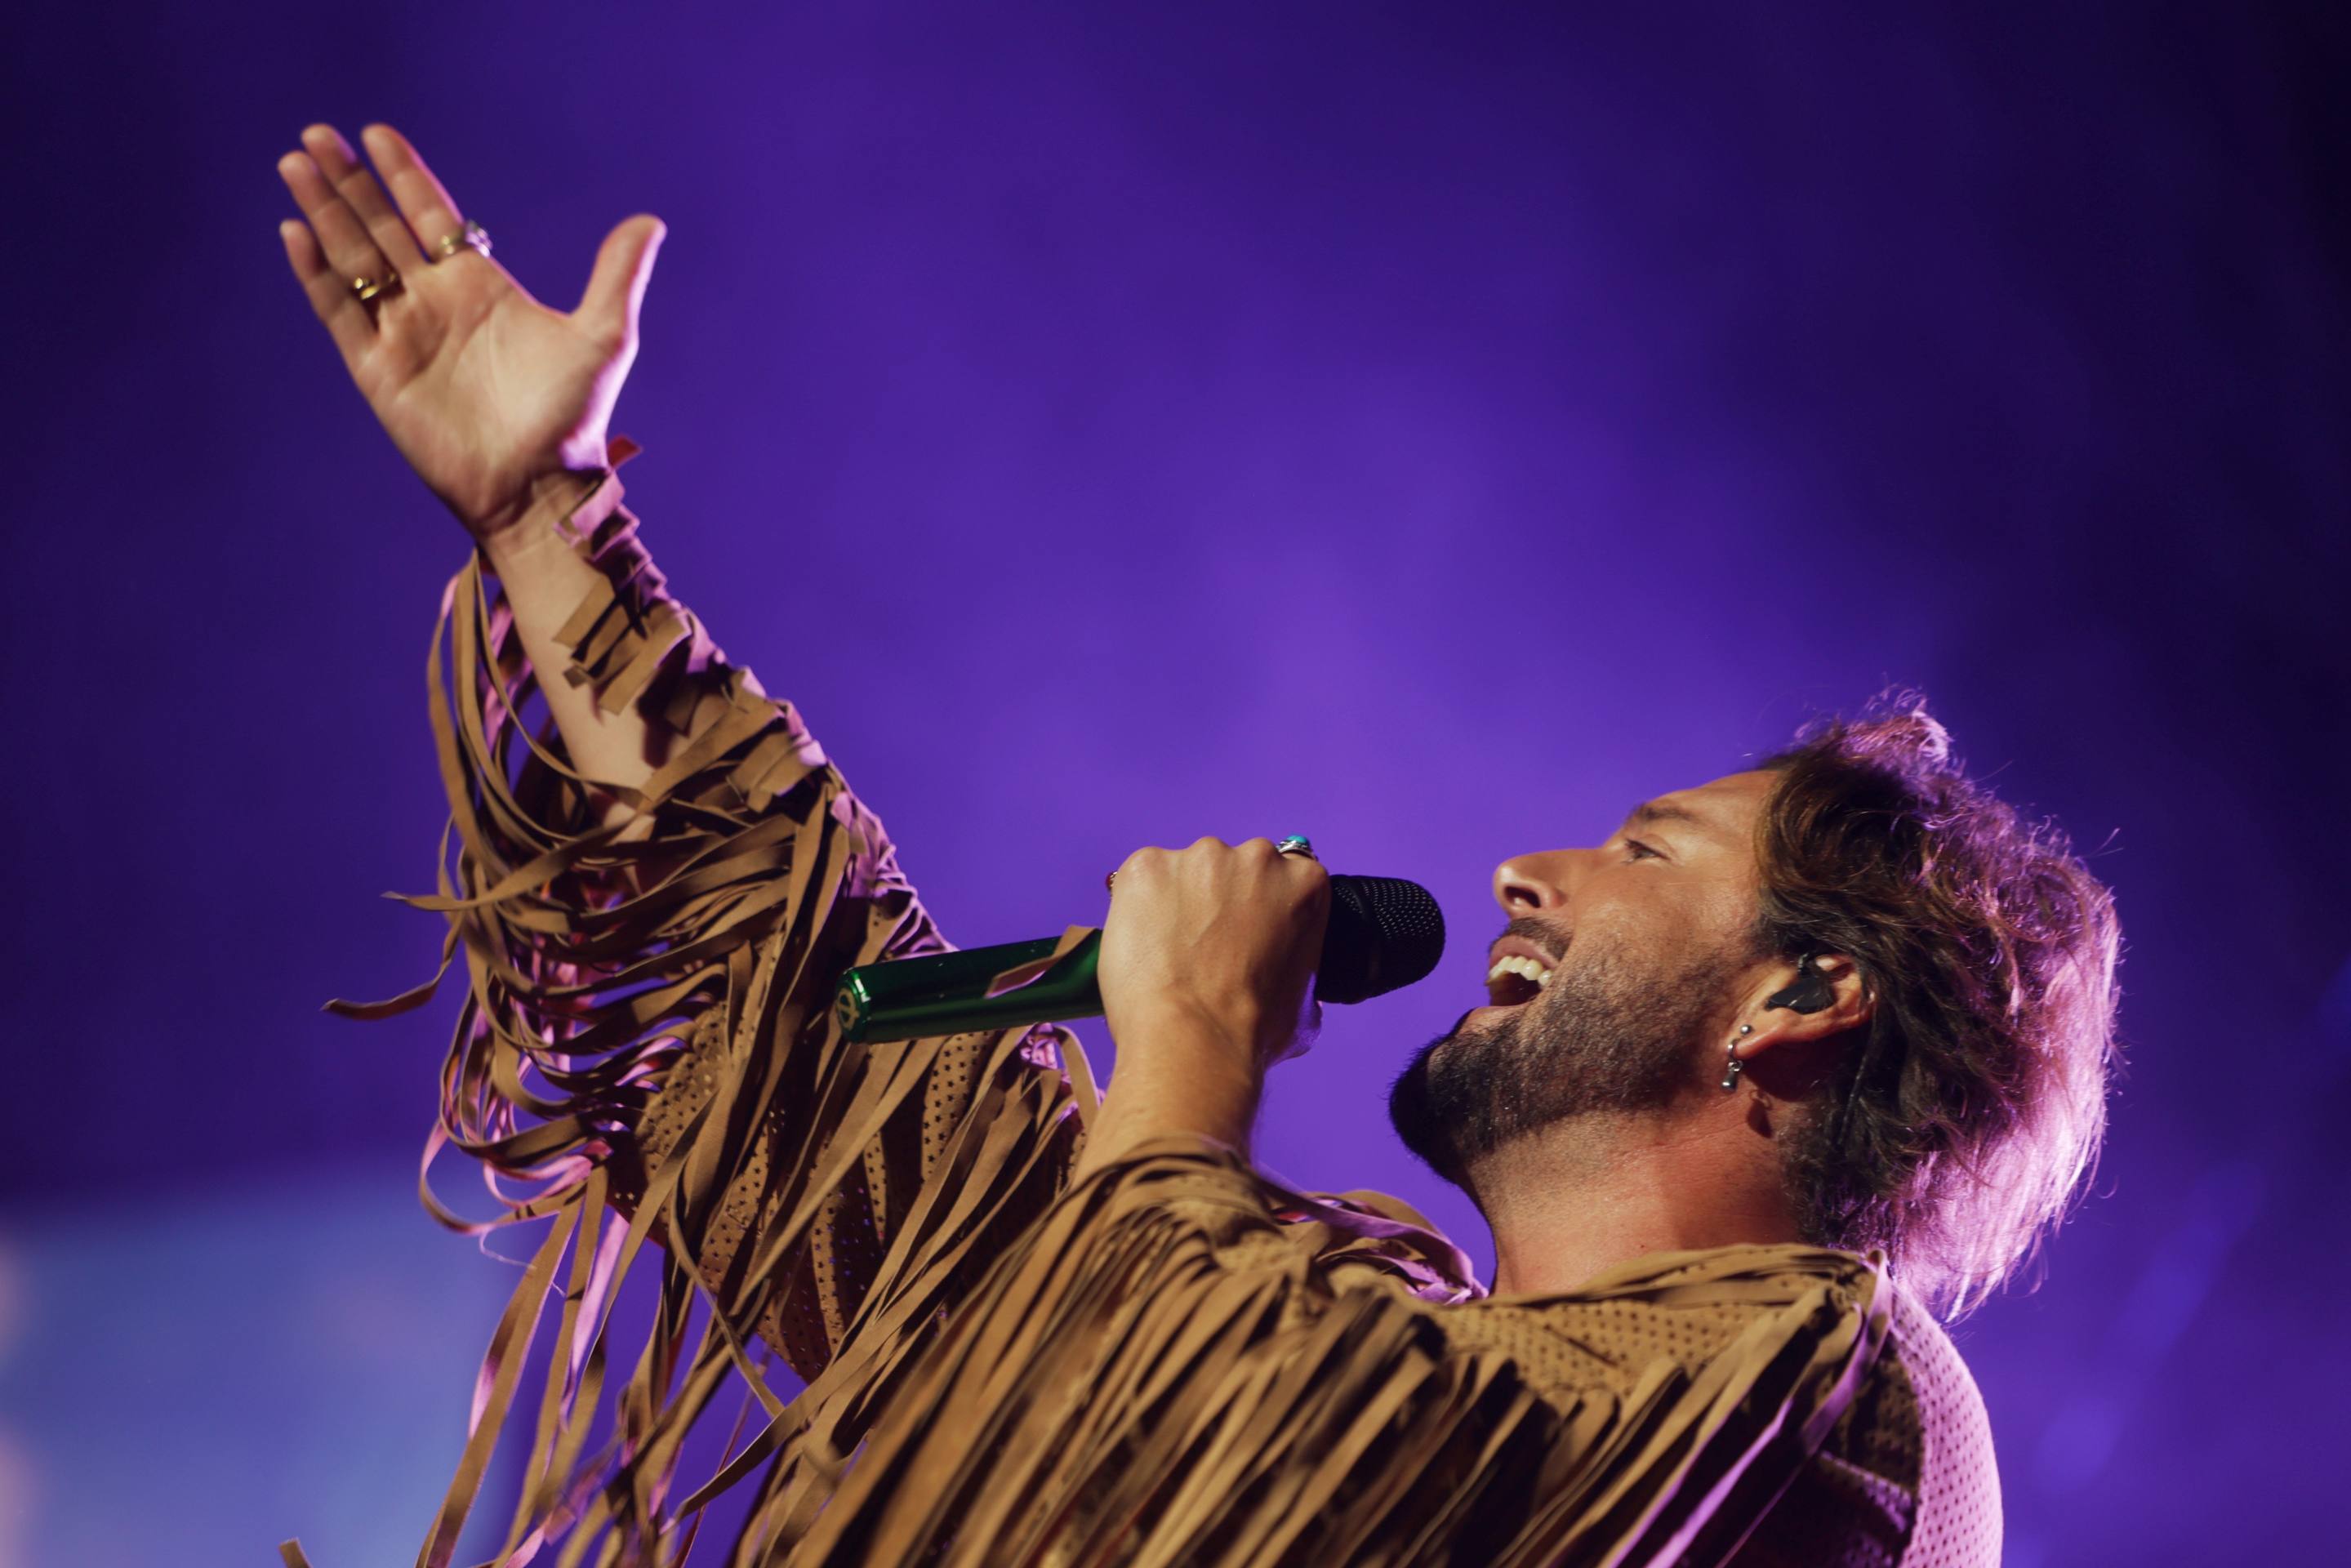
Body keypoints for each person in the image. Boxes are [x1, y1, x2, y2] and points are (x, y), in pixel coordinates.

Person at [275, 121, 2120, 1568]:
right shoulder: (1394, 1348)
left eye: (1649, 848)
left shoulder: (1846, 1417)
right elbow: (871, 1134)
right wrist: (546, 513)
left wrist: (1184, 1057)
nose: (1524, 875)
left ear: (1801, 991)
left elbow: (1209, 1473)